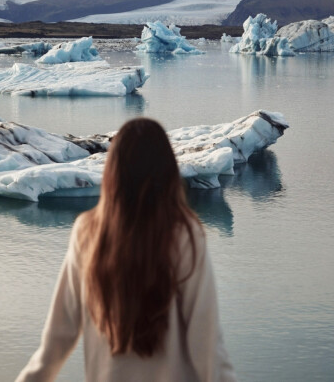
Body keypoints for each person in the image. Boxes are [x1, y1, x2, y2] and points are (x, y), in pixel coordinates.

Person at [15, 118, 237, 382]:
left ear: (113, 172)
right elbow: (206, 342)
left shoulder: (88, 232)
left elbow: (56, 343)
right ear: (167, 172)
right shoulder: (184, 234)